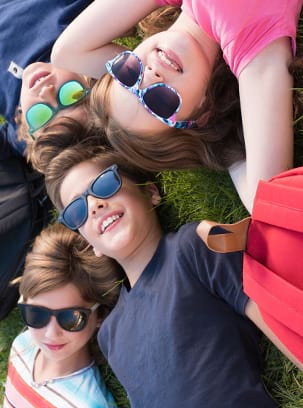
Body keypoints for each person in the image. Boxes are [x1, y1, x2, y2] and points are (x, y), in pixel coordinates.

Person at [34, 124, 303, 407]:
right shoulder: (110, 336)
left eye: (103, 185)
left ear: (151, 192)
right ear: (92, 246)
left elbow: (283, 323)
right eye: (77, 210)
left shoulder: (193, 247)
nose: (94, 206)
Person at [51, 0, 303, 213]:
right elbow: (266, 202)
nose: (149, 75)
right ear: (203, 114)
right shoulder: (254, 50)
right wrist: (222, 147)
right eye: (159, 101)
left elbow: (66, 53)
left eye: (127, 73)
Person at [0, 0, 96, 320]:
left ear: (22, 125)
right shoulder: (69, 34)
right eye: (71, 94)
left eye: (41, 114)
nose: (45, 91)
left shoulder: (17, 136)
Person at [3, 222, 123, 408]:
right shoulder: (22, 346)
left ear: (100, 314)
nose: (51, 334)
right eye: (36, 314)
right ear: (23, 302)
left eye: (72, 318)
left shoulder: (88, 404)